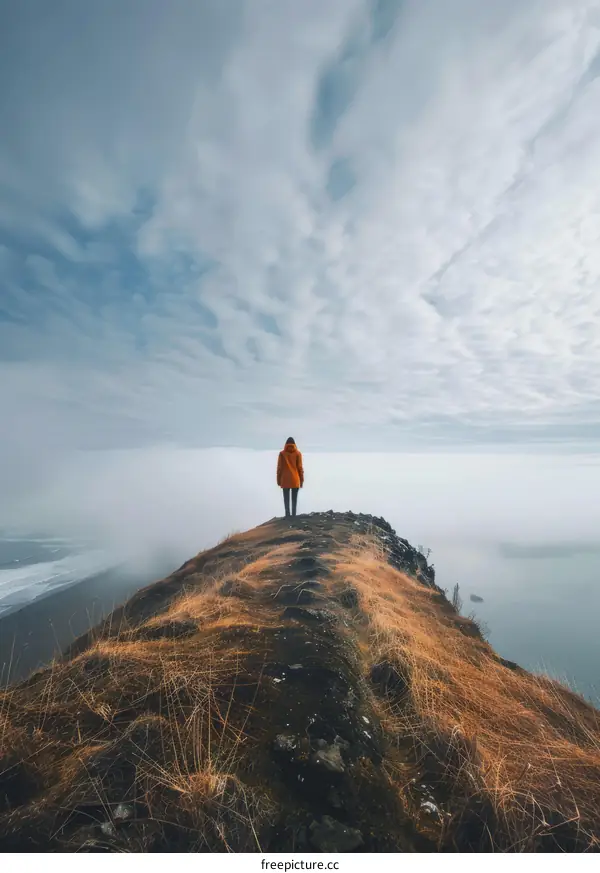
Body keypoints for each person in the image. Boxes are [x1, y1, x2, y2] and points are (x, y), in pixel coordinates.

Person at [277, 437, 304, 518]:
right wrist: (301, 481)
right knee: (294, 499)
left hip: (285, 479)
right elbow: (300, 468)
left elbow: (279, 468)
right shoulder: (298, 453)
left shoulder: (282, 454)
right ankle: (294, 515)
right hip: (295, 479)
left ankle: (287, 515)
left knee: (286, 499)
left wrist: (278, 480)